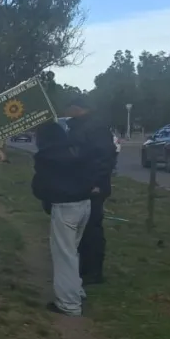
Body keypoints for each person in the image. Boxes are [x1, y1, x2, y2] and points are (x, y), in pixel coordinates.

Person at [32, 121, 97, 316]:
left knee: (64, 256)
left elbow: (40, 187)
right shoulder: (77, 148)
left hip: (64, 207)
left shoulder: (46, 156)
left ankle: (69, 304)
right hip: (85, 203)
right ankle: (77, 290)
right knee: (73, 251)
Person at [63, 96, 117, 285]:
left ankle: (93, 272)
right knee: (82, 229)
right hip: (80, 184)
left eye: (69, 107)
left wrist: (96, 183)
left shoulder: (95, 128)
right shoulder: (78, 126)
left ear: (78, 108)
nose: (67, 111)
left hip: (93, 187)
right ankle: (83, 268)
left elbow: (105, 158)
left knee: (92, 229)